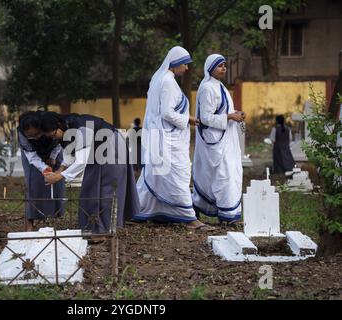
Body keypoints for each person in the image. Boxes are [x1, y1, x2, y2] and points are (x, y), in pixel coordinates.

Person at [133, 46, 212, 230]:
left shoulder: (158, 78)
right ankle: (189, 217)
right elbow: (167, 113)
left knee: (154, 176)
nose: (186, 68)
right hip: (167, 139)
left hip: (160, 136)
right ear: (175, 62)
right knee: (176, 177)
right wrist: (190, 119)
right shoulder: (167, 81)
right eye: (184, 64)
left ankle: (137, 211)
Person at [40, 112, 140, 234]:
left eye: (54, 134)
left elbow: (81, 161)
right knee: (91, 188)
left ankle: (104, 231)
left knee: (105, 190)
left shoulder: (78, 127)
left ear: (58, 125)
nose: (54, 138)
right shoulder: (67, 127)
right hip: (97, 150)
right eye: (50, 137)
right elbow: (69, 153)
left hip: (110, 147)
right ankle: (95, 228)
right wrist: (59, 170)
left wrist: (59, 176)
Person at [192, 54, 245, 224]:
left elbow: (222, 110)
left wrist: (235, 114)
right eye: (220, 66)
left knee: (226, 174)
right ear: (210, 68)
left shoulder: (219, 86)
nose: (224, 68)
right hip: (214, 141)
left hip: (225, 139)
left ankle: (225, 213)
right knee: (223, 175)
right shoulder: (208, 88)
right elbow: (205, 118)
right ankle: (225, 214)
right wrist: (230, 117)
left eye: (224, 65)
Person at [18, 111, 66, 231]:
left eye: (36, 134)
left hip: (54, 148)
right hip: (31, 154)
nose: (34, 138)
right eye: (30, 136)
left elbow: (60, 143)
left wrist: (53, 157)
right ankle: (30, 220)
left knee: (56, 182)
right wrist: (44, 168)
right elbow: (31, 155)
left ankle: (54, 217)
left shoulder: (49, 125)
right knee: (33, 183)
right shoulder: (22, 134)